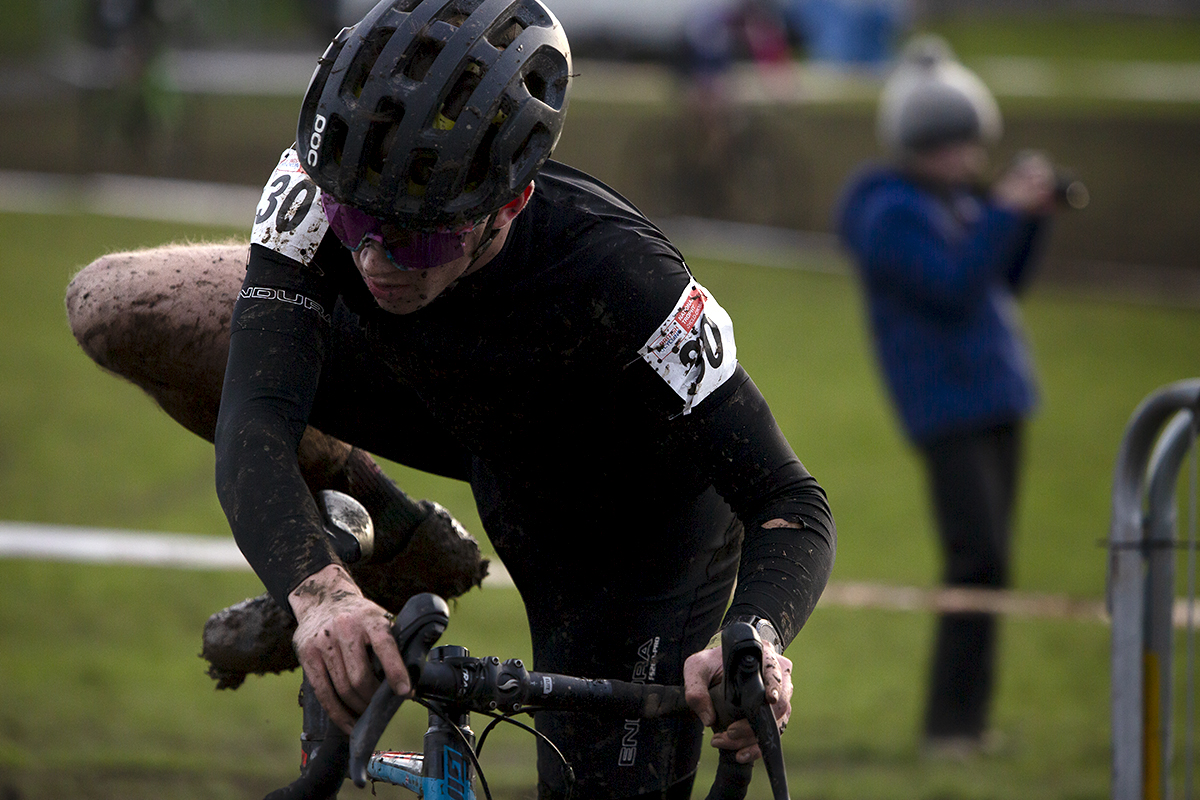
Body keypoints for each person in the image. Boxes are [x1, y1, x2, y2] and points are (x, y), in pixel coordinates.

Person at [65, 0, 837, 797]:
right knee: (116, 304)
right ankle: (397, 540)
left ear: (510, 203)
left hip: (625, 528)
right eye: (352, 219)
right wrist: (322, 594)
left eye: (417, 237)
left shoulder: (625, 278)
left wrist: (758, 635)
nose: (371, 258)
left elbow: (789, 499)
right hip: (450, 399)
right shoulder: (323, 179)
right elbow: (255, 418)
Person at [835, 34, 1057, 758]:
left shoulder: (957, 202)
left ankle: (968, 723)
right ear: (918, 144)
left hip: (995, 399)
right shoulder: (889, 212)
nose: (966, 159)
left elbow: (1002, 281)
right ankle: (948, 727)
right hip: (945, 408)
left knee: (991, 568)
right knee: (975, 562)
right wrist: (1001, 213)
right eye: (952, 146)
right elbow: (954, 287)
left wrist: (1028, 219)